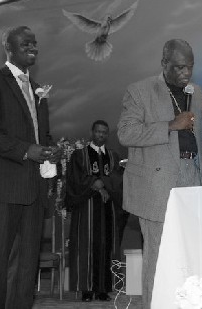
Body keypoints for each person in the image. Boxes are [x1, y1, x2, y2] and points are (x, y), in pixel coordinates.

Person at [0, 26, 61, 309]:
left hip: (32, 193)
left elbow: (38, 137)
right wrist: (25, 150)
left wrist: (49, 149)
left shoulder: (37, 90)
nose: (32, 46)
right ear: (7, 46)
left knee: (24, 274)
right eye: (25, 42)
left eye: (34, 42)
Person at [117, 39, 202, 309]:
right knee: (158, 254)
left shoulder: (198, 93)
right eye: (179, 67)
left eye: (189, 67)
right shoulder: (139, 91)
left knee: (190, 251)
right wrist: (169, 125)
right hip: (157, 183)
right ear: (164, 64)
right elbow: (126, 133)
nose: (186, 73)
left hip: (193, 176)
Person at [65, 120, 123, 302]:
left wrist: (104, 184)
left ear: (107, 135)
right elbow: (74, 178)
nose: (101, 135)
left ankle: (103, 288)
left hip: (107, 211)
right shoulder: (79, 155)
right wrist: (93, 183)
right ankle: (87, 289)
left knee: (106, 246)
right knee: (86, 245)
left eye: (104, 132)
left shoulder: (113, 157)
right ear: (92, 132)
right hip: (86, 209)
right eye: (98, 131)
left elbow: (117, 179)